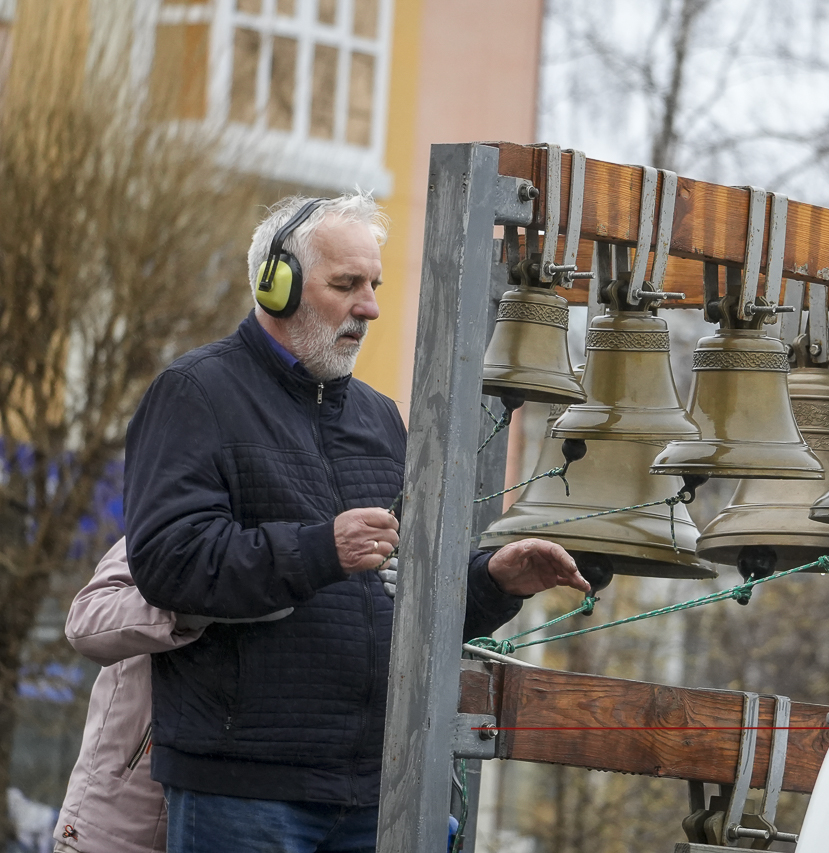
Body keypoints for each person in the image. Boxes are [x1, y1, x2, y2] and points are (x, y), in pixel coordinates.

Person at [122, 193, 588, 853]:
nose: (368, 307)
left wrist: (493, 581)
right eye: (346, 285)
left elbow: (407, 598)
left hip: (379, 789)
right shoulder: (196, 392)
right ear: (277, 285)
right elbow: (169, 562)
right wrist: (322, 549)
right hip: (245, 792)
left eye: (373, 286)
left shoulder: (379, 417)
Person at [54, 538, 297, 853]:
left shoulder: (311, 544)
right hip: (112, 822)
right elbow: (86, 619)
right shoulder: (170, 524)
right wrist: (193, 609)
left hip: (245, 816)